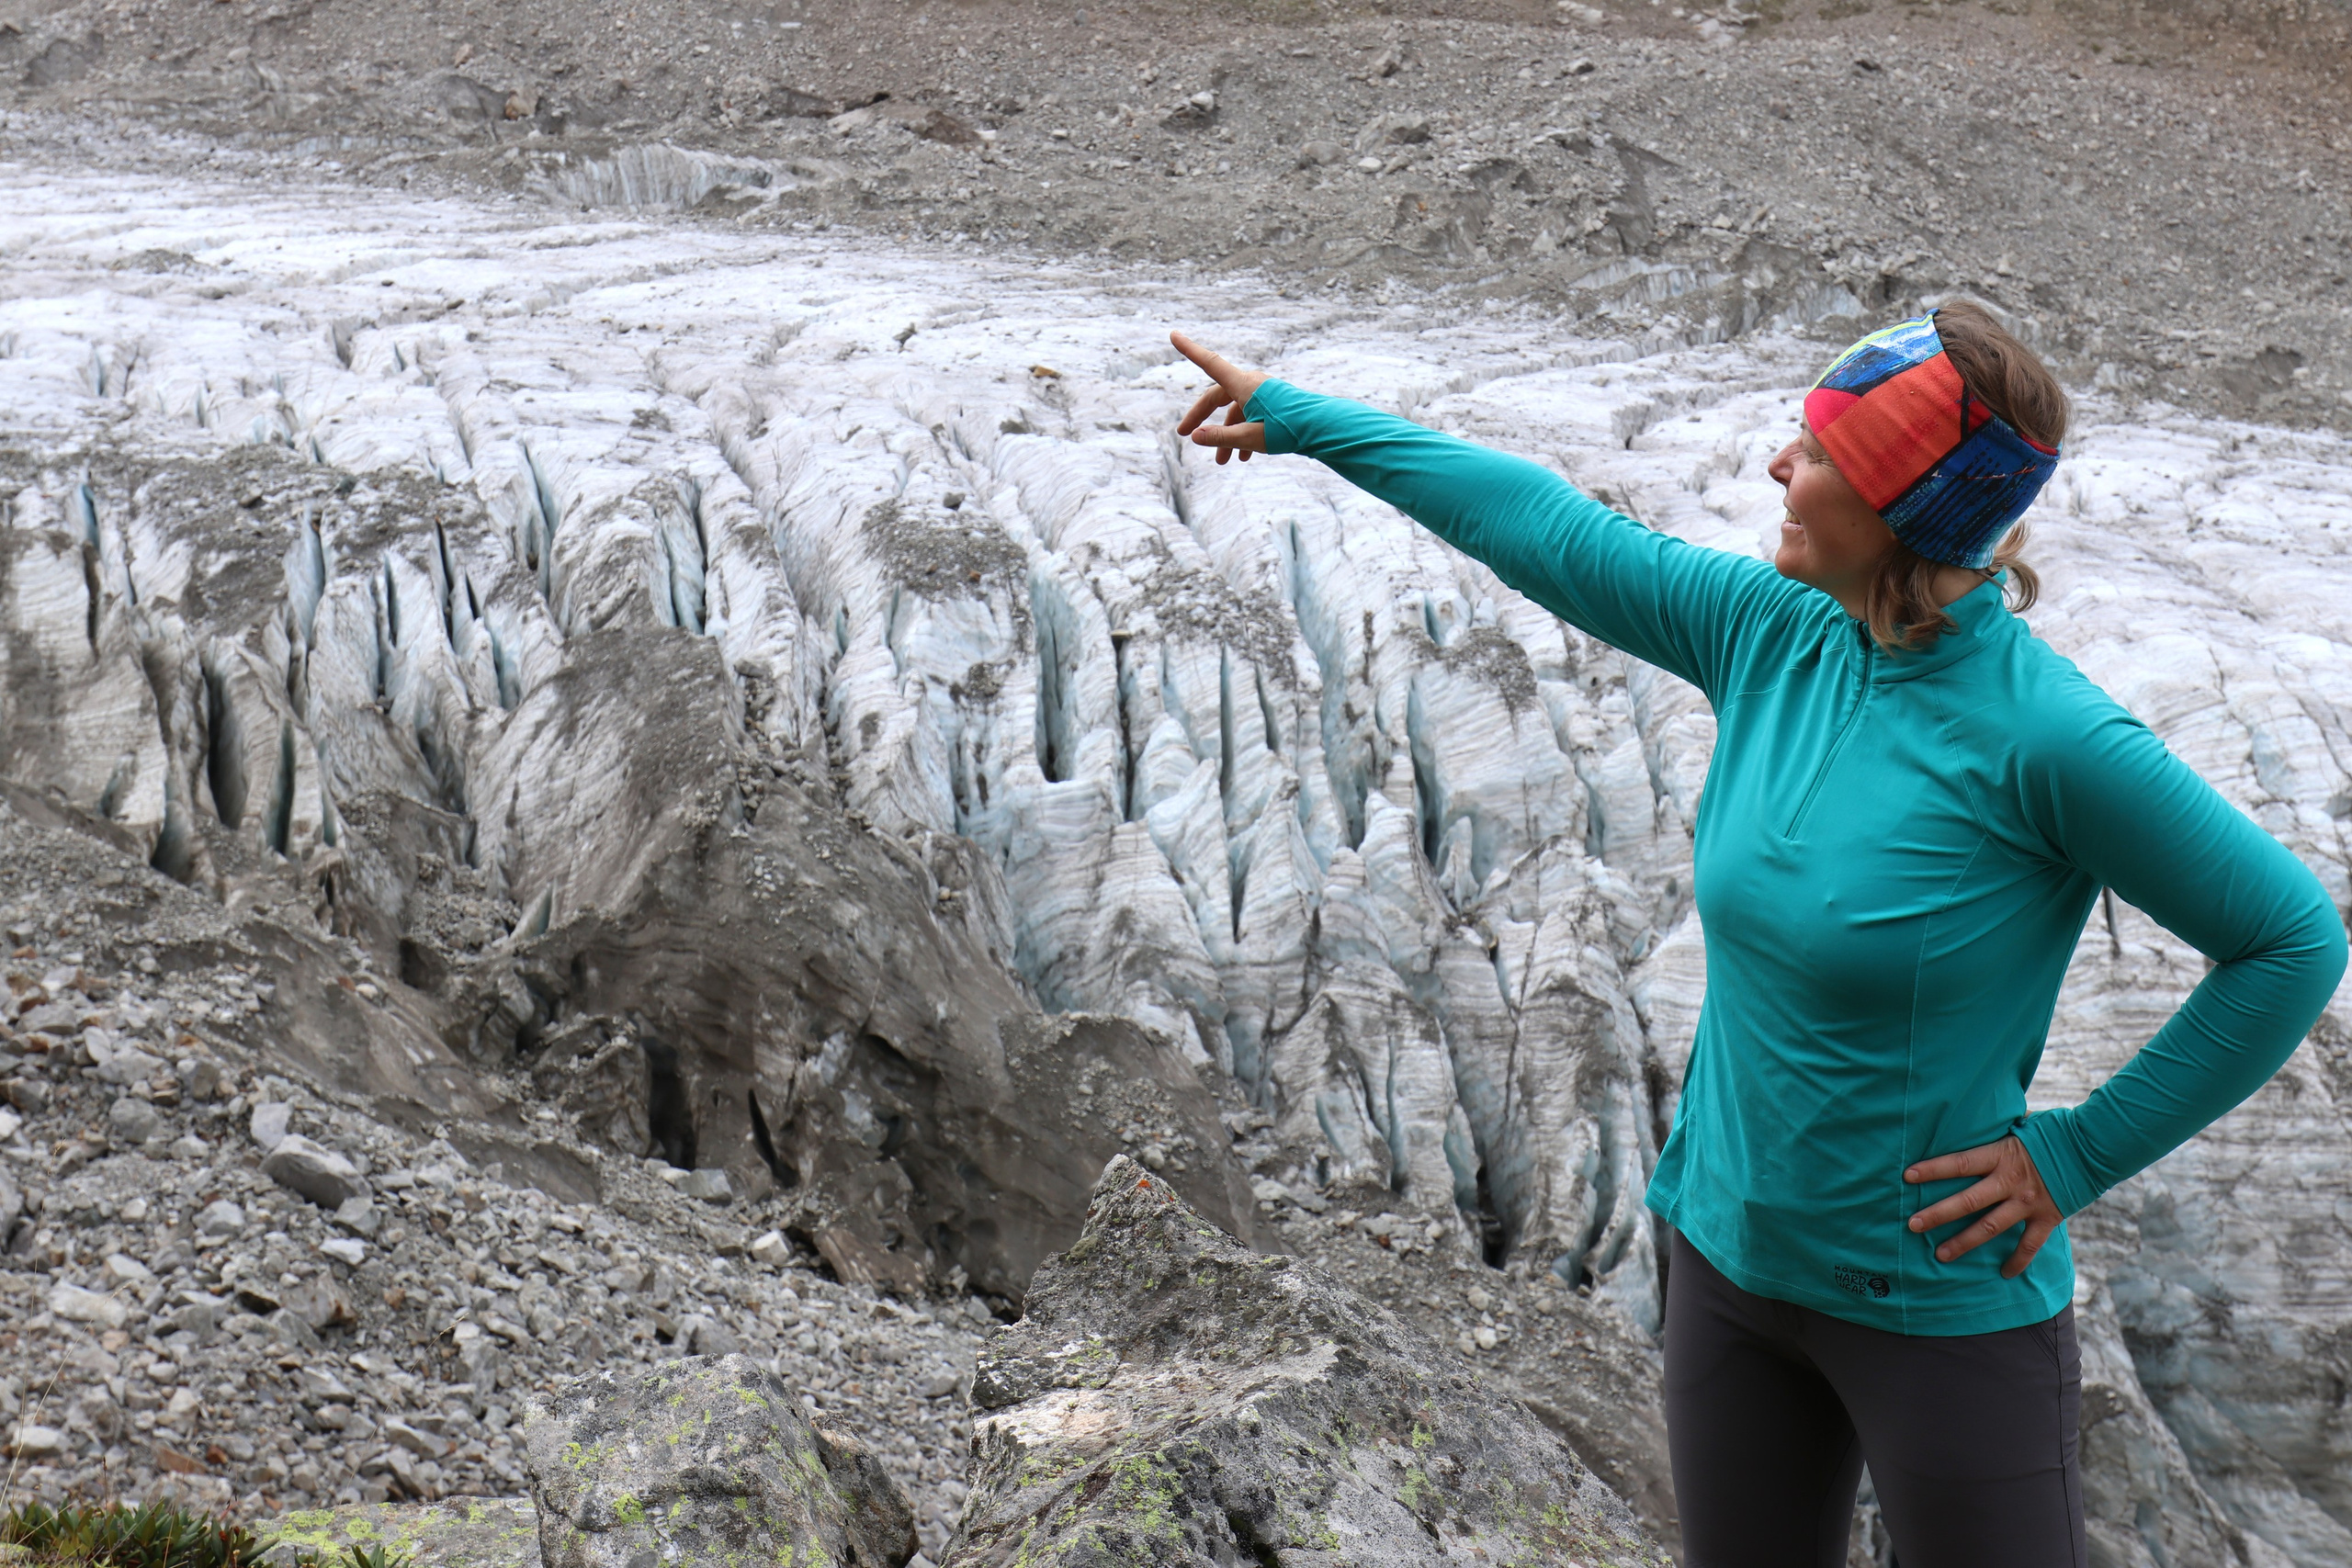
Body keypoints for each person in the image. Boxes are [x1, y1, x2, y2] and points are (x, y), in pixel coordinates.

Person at [1168, 310, 2346, 1568]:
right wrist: (1302, 417)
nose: (1779, 470)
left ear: (1905, 507)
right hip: (1727, 1264)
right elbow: (1545, 528)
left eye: (1820, 455)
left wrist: (2073, 1157)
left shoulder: (2047, 739)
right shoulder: (1769, 634)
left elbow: (2290, 941)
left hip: (1934, 1312)